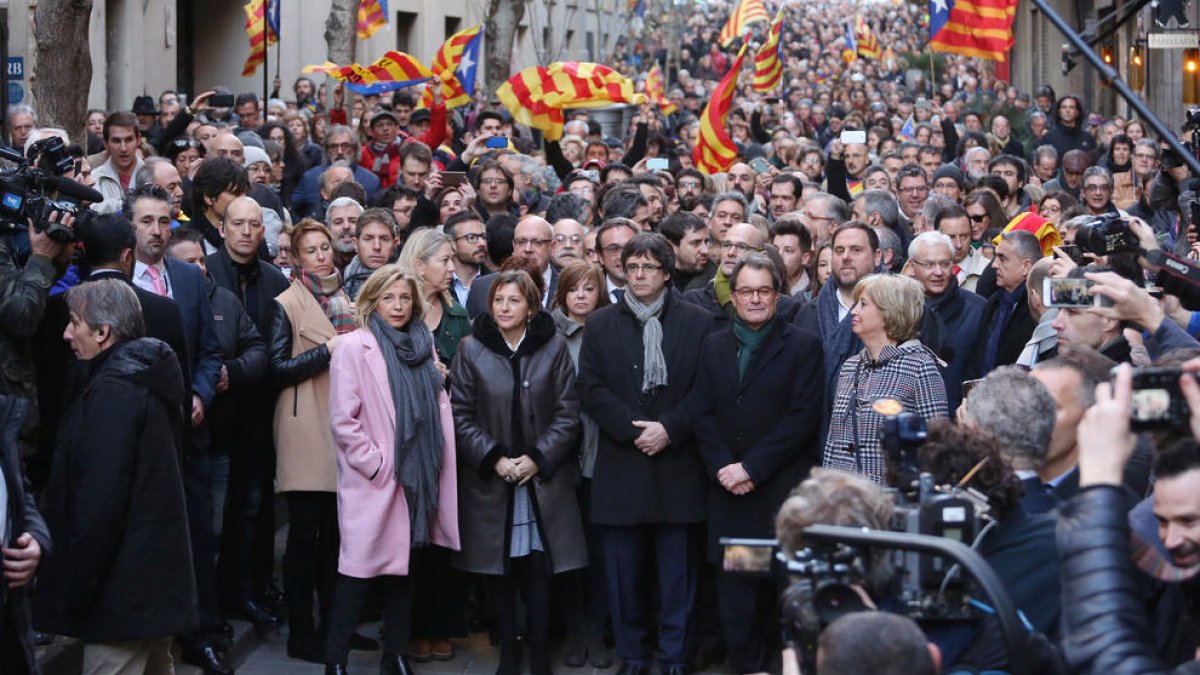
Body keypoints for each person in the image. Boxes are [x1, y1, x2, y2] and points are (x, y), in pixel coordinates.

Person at [34, 279, 197, 673]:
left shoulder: (116, 393)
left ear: (102, 332)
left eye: (75, 322)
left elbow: (100, 500)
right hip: (147, 588)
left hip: (121, 597)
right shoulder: (139, 379)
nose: (67, 333)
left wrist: (75, 586)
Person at [578, 233, 714, 675]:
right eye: (631, 266)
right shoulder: (600, 323)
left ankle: (675, 655)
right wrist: (633, 430)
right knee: (623, 576)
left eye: (648, 267)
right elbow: (591, 388)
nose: (637, 275)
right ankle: (633, 655)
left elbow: (705, 389)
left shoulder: (698, 321)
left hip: (677, 466)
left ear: (667, 273)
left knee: (678, 575)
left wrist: (669, 429)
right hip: (623, 463)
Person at [690, 254, 825, 674]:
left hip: (780, 496)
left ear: (777, 295)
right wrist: (724, 468)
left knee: (787, 593)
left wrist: (751, 468)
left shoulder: (803, 346)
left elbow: (802, 417)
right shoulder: (712, 345)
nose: (754, 299)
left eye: (763, 291)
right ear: (733, 296)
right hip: (733, 499)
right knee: (739, 595)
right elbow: (702, 412)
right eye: (745, 291)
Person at [449, 268, 586, 675]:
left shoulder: (554, 346)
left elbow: (568, 413)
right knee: (500, 573)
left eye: (513, 301)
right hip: (493, 480)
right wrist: (494, 458)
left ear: (530, 308)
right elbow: (460, 415)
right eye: (498, 301)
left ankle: (540, 651)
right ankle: (509, 650)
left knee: (539, 569)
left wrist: (537, 458)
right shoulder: (471, 348)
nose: (504, 308)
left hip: (542, 479)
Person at [325, 265, 461, 675]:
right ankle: (335, 660)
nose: (398, 306)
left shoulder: (424, 346)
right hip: (379, 480)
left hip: (420, 475)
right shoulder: (354, 347)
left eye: (404, 298)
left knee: (406, 571)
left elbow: (435, 408)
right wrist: (378, 464)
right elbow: (343, 420)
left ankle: (395, 655)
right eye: (389, 298)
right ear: (372, 302)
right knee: (356, 574)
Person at [269, 219, 357, 663]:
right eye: (311, 250)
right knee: (304, 538)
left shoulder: (348, 300)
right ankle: (302, 632)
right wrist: (327, 351)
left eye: (325, 248)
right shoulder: (285, 302)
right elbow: (275, 368)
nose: (321, 255)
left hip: (343, 427)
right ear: (297, 258)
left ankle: (335, 628)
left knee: (338, 539)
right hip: (304, 429)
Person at [823, 274, 948, 484]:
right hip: (842, 499)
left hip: (889, 503)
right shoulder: (850, 366)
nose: (853, 311)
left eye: (863, 305)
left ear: (889, 312)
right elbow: (833, 442)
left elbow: (936, 447)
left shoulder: (920, 367)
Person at [549, 260, 613, 669]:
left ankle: (597, 630)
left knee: (603, 552)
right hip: (563, 457)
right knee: (568, 551)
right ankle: (574, 631)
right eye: (573, 289)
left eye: (589, 288)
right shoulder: (550, 337)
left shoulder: (612, 330)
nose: (581, 296)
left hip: (606, 457)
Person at [908, 231, 985, 410]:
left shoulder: (978, 310)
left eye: (945, 264)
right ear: (912, 267)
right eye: (928, 264)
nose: (938, 272)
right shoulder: (898, 311)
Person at [342, 208, 399, 299]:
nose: (377, 247)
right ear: (356, 244)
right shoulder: (339, 281)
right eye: (368, 239)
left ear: (394, 244)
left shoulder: (407, 280)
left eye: (384, 239)